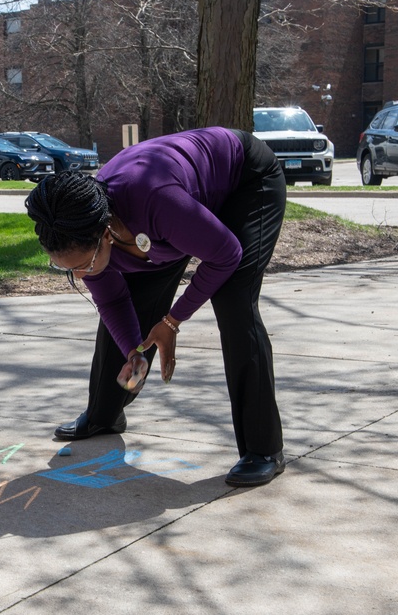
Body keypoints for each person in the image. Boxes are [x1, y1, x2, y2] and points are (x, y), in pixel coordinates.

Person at [24, 127, 287, 487]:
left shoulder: (156, 199)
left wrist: (173, 320)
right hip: (164, 221)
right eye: (67, 269)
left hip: (245, 180)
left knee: (234, 300)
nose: (80, 274)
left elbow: (226, 255)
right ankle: (104, 415)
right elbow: (112, 300)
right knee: (128, 299)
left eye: (83, 264)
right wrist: (134, 349)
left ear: (105, 235)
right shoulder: (81, 222)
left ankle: (264, 449)